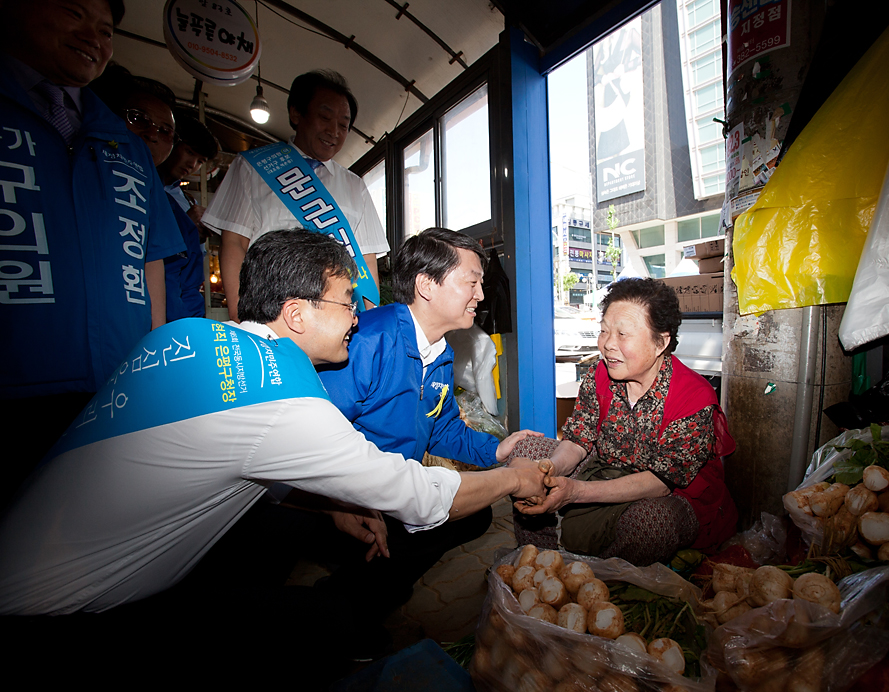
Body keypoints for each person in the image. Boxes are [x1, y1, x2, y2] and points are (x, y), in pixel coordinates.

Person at [0, 229, 545, 687]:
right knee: (328, 622)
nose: (359, 318)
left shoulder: (187, 337)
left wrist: (326, 504)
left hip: (36, 559)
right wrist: (515, 477)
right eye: (348, 303)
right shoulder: (281, 399)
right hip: (57, 616)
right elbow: (420, 497)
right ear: (296, 313)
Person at [0, 0, 184, 508]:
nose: (94, 36)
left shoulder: (124, 146)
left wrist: (152, 368)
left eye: (105, 29)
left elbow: (151, 263)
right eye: (74, 12)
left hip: (113, 388)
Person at [317, 227, 541, 607]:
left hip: (390, 488)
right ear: (426, 285)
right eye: (471, 282)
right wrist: (340, 503)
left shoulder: (439, 351)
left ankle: (377, 584)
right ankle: (343, 603)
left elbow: (442, 428)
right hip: (338, 496)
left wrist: (499, 451)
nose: (481, 295)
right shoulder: (366, 342)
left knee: (475, 516)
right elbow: (318, 437)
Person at [513, 278, 737, 566]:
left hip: (664, 494)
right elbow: (579, 439)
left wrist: (575, 493)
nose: (608, 345)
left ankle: (598, 579)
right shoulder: (599, 374)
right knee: (527, 454)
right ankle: (541, 563)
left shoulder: (693, 397)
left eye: (622, 334)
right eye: (604, 331)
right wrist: (550, 470)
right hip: (606, 470)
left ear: (661, 342)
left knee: (652, 523)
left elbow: (661, 482)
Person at [203, 69, 387, 319]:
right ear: (296, 113)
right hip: (271, 313)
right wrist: (241, 316)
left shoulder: (355, 186)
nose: (334, 131)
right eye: (324, 117)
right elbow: (234, 243)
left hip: (336, 318)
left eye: (343, 125)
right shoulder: (253, 167)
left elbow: (366, 259)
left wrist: (369, 322)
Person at [157, 115, 220, 321]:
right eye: (189, 152)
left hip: (187, 297)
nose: (192, 164)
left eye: (200, 161)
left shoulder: (186, 199)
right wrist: (185, 223)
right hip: (161, 298)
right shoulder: (149, 189)